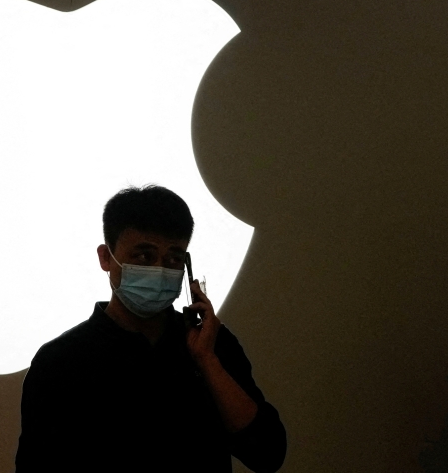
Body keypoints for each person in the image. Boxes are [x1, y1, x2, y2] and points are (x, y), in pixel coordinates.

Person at [15, 185, 287, 472]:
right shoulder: (60, 362)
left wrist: (207, 361)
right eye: (144, 256)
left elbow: (267, 454)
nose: (160, 269)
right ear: (106, 257)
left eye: (173, 259)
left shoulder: (212, 344)